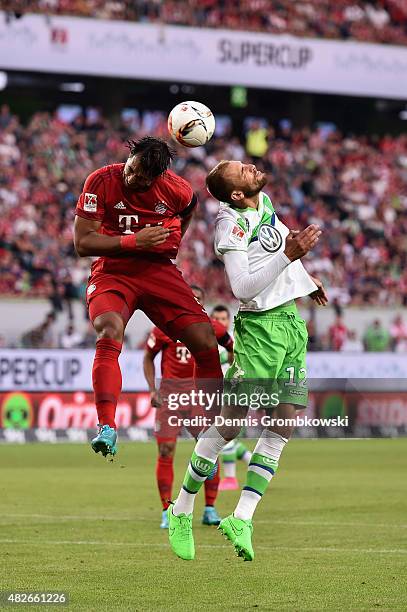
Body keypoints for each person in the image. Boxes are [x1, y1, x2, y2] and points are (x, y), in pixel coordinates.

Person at [167, 159, 327, 561]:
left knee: (283, 424)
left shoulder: (264, 202)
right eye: (243, 171)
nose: (252, 167)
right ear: (236, 194)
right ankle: (183, 507)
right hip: (259, 329)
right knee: (231, 424)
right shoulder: (230, 225)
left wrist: (306, 280)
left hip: (290, 324)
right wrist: (290, 255)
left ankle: (242, 517)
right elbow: (242, 287)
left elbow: (274, 250)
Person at [73, 137, 223, 458]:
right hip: (113, 270)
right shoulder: (100, 181)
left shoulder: (177, 190)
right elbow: (83, 242)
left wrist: (173, 239)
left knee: (206, 341)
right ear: (128, 157)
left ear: (157, 177)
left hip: (157, 270)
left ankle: (209, 429)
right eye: (131, 170)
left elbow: (189, 207)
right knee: (108, 331)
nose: (132, 178)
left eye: (141, 177)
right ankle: (107, 426)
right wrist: (133, 241)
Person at [143, 286, 234, 528]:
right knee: (165, 452)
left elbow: (233, 347)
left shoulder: (212, 326)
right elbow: (147, 357)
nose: (192, 301)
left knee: (209, 450)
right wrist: (153, 389)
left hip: (198, 400)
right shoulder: (164, 326)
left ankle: (210, 509)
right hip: (170, 399)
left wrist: (234, 377)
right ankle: (166, 511)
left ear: (202, 303)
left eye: (198, 299)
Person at [211, 304, 252, 491]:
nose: (220, 322)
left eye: (223, 319)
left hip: (230, 393)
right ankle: (253, 463)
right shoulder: (207, 341)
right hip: (214, 394)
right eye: (216, 319)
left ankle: (230, 478)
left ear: (228, 321)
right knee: (227, 436)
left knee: (221, 435)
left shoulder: (233, 343)